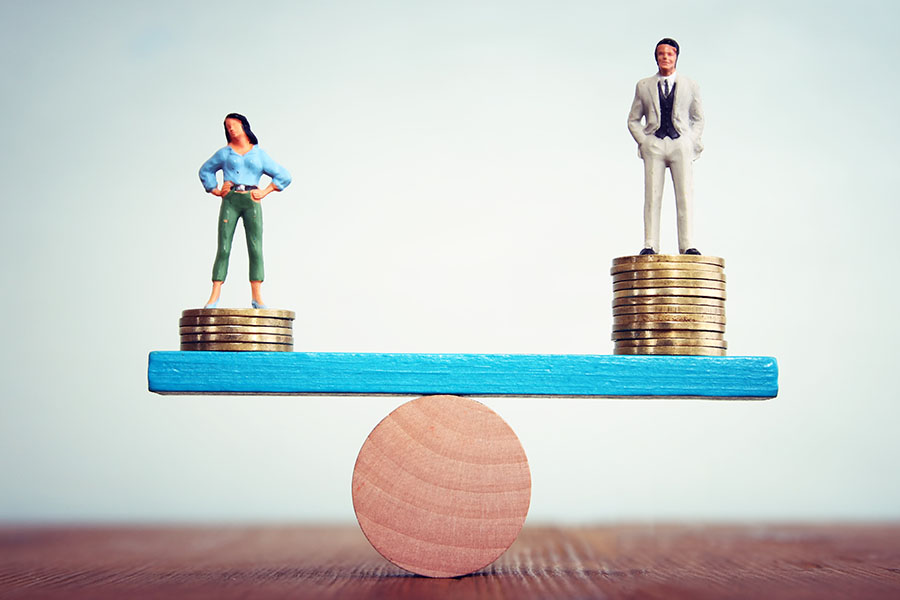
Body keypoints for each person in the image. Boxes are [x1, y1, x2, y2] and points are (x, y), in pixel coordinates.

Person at [198, 113, 291, 308]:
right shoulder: (225, 153)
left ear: (244, 126)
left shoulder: (259, 154)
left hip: (251, 200)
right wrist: (215, 189)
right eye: (227, 126)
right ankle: (214, 295)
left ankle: (257, 296)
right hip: (231, 200)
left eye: (234, 125)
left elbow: (284, 175)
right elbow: (205, 170)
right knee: (223, 247)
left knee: (255, 247)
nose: (231, 129)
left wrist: (265, 191)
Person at [627, 38, 704, 255]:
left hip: (680, 143)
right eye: (661, 54)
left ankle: (687, 244)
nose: (665, 58)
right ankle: (650, 244)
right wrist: (644, 141)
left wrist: (690, 141)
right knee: (652, 195)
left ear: (677, 57)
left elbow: (698, 118)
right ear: (656, 57)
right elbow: (633, 119)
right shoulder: (644, 86)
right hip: (655, 144)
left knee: (685, 194)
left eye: (670, 54)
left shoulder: (691, 85)